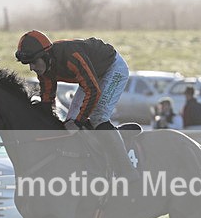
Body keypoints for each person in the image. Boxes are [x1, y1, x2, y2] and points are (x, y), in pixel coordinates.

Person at [15, 30, 138, 183]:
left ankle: (127, 170)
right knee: (69, 121)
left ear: (46, 56)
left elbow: (93, 91)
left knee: (98, 117)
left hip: (113, 69)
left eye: (33, 62)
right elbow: (47, 101)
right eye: (28, 64)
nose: (32, 68)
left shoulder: (72, 57)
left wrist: (79, 122)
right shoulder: (44, 69)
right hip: (93, 73)